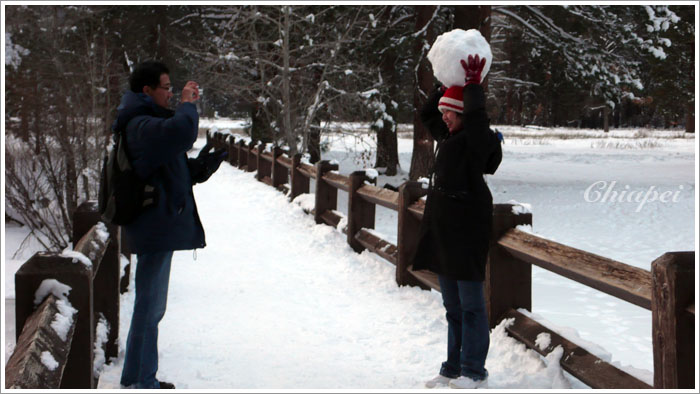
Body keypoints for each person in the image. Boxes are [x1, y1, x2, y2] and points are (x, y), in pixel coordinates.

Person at [114, 61, 226, 389]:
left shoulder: (146, 122)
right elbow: (181, 132)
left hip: (156, 226)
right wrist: (189, 105)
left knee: (150, 308)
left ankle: (137, 377)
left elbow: (168, 166)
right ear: (147, 91)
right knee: (150, 308)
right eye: (166, 87)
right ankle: (141, 382)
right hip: (153, 228)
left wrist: (200, 168)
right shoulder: (140, 124)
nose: (172, 93)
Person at [413, 54, 502, 389]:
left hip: (467, 234)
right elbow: (426, 114)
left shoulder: (476, 142)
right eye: (445, 113)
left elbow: (478, 120)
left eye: (449, 112)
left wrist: (472, 87)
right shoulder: (449, 138)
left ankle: (473, 371)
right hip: (443, 233)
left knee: (472, 308)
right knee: (452, 306)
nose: (444, 118)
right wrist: (443, 84)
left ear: (465, 113)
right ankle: (452, 367)